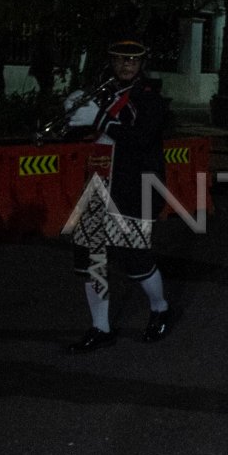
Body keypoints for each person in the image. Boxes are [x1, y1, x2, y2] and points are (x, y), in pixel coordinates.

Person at [64, 39, 173, 353]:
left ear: (141, 64)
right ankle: (101, 327)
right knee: (91, 258)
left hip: (136, 187)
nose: (127, 65)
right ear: (111, 61)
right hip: (98, 184)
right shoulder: (103, 93)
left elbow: (139, 139)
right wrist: (72, 116)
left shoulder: (150, 99)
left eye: (133, 60)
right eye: (120, 60)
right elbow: (87, 132)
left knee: (135, 259)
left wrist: (97, 118)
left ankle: (161, 307)